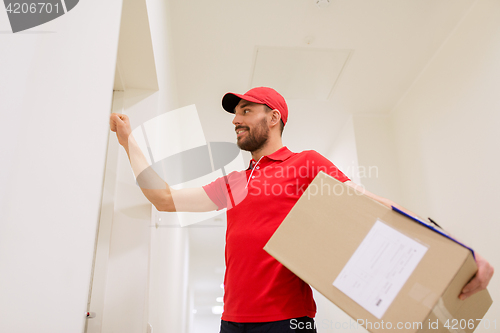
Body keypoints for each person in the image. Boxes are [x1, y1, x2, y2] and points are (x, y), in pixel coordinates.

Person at [110, 87, 494, 333]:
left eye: (245, 110)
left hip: (284, 321)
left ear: (273, 118)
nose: (235, 119)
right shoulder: (234, 183)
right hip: (231, 322)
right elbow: (163, 198)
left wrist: (455, 251)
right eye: (235, 113)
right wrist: (129, 142)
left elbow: (371, 203)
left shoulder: (305, 163)